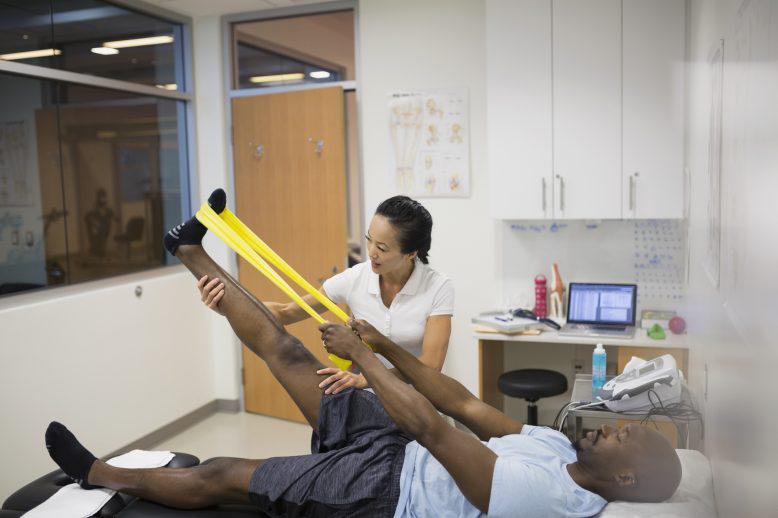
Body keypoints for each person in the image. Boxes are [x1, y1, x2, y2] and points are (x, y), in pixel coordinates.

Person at [44, 201, 682, 517]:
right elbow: (459, 403)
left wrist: (365, 356)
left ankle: (100, 474)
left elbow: (433, 424)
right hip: (398, 432)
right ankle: (191, 252)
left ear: (624, 480)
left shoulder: (544, 497)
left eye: (622, 435)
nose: (608, 425)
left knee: (222, 470)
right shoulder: (557, 451)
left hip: (386, 489)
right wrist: (374, 348)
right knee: (287, 350)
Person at [197, 194, 454, 394]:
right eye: (369, 240)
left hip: (421, 400)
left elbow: (430, 365)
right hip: (369, 399)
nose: (371, 252)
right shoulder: (355, 278)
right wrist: (227, 304)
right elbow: (287, 312)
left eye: (383, 248)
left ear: (412, 253)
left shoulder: (437, 287)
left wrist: (364, 380)